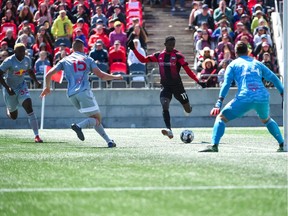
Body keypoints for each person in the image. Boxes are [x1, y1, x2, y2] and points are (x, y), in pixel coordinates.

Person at [199, 41, 284, 152]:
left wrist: (219, 102)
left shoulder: (233, 64)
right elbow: (273, 78)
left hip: (245, 96)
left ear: (235, 52)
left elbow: (226, 83)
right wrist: (282, 93)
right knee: (266, 120)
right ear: (248, 52)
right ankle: (282, 143)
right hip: (262, 96)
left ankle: (214, 145)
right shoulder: (257, 63)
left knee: (221, 118)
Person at [40, 39, 123, 148]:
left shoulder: (65, 60)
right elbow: (101, 76)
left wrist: (47, 87)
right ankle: (79, 126)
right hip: (83, 92)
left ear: (72, 49)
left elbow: (48, 75)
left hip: (71, 95)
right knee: (97, 119)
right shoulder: (88, 59)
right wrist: (115, 77)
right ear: (83, 48)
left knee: (93, 120)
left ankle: (109, 141)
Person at [128, 36, 206, 139]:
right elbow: (143, 59)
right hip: (165, 86)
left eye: (173, 45)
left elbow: (187, 70)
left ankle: (188, 107)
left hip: (178, 86)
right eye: (169, 45)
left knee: (188, 110)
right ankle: (169, 129)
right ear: (165, 44)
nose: (171, 47)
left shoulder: (178, 56)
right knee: (165, 105)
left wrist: (198, 81)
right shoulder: (159, 55)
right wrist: (133, 49)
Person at [0, 43, 43, 143]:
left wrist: (36, 81)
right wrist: (7, 88)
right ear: (15, 52)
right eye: (20, 51)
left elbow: (30, 71)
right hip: (10, 88)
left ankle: (37, 136)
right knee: (14, 116)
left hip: (21, 86)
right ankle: (9, 110)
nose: (23, 53)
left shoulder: (27, 59)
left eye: (24, 51)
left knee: (29, 106)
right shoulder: (9, 61)